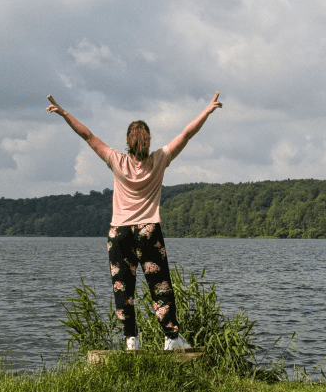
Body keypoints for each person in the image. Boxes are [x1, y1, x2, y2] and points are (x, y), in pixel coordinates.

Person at [47, 92, 223, 351]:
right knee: (160, 285)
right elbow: (186, 134)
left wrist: (64, 114)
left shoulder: (116, 161)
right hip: (148, 230)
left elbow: (88, 136)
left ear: (127, 142)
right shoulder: (160, 159)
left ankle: (131, 339)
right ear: (148, 141)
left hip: (118, 232)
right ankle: (171, 339)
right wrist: (206, 111)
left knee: (123, 288)